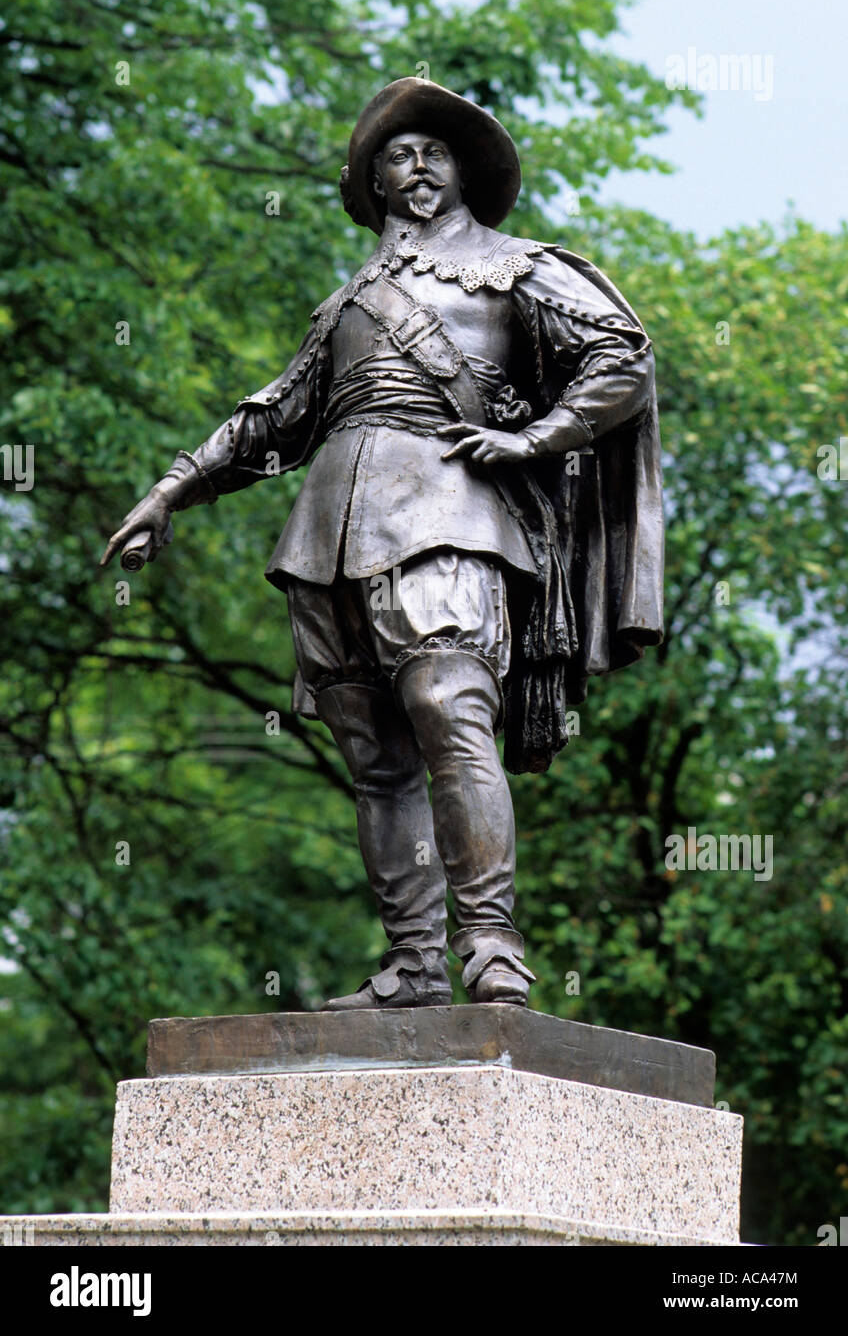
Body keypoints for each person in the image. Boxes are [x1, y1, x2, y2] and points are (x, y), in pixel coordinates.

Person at [101, 77, 664, 1011]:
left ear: (466, 171)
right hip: (326, 537)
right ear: (373, 183)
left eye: (433, 151)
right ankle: (413, 964)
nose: (415, 168)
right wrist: (171, 490)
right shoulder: (346, 304)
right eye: (395, 156)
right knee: (376, 759)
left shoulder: (515, 266)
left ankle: (491, 947)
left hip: (451, 518)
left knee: (451, 714)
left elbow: (624, 355)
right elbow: (277, 416)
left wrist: (535, 438)